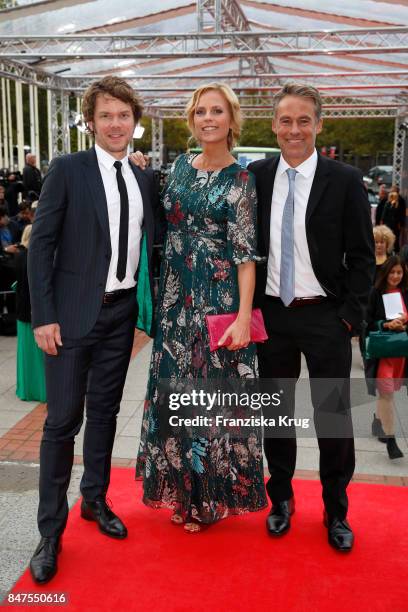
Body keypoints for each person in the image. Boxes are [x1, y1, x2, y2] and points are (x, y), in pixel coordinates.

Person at [27, 76, 160, 584]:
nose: (115, 124)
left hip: (120, 315)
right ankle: (49, 532)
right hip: (69, 315)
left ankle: (95, 501)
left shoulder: (145, 176)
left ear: (134, 122)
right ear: (90, 122)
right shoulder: (67, 169)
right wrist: (43, 315)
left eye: (124, 115)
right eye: (106, 115)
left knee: (104, 413)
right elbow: (41, 246)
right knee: (62, 422)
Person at [134, 83, 267, 533]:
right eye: (200, 111)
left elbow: (245, 256)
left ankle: (210, 498)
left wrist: (245, 318)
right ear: (192, 120)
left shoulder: (242, 180)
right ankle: (183, 491)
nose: (208, 118)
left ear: (231, 119)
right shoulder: (179, 166)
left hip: (217, 302)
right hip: (176, 300)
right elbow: (158, 213)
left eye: (217, 111)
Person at [249, 83, 375, 552]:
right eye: (286, 120)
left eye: (304, 120)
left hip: (326, 317)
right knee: (277, 417)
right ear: (274, 126)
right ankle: (280, 500)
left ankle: (336, 511)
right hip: (272, 317)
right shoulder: (256, 177)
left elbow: (364, 257)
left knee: (333, 420)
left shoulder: (343, 180)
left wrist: (349, 318)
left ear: (319, 125)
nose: (295, 129)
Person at [364, 255, 408, 459]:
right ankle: (391, 440)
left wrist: (403, 325)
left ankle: (378, 422)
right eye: (392, 272)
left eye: (399, 272)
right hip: (384, 355)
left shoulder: (405, 294)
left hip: (402, 355)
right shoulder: (375, 293)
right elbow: (367, 321)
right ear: (386, 273)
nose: (396, 276)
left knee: (388, 395)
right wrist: (386, 325)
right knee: (387, 394)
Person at [15, 224, 46, 402]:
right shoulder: (38, 257)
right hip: (36, 312)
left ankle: (26, 389)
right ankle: (42, 390)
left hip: (22, 311)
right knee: (40, 356)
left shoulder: (19, 257)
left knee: (25, 355)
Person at [376, 185, 406, 251]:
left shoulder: (401, 201)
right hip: (387, 223)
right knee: (386, 239)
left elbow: (402, 214)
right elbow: (382, 212)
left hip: (396, 224)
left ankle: (396, 253)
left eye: (394, 191)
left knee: (396, 240)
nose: (392, 192)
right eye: (391, 191)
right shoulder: (387, 200)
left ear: (397, 192)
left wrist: (401, 224)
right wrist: (381, 222)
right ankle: (387, 252)